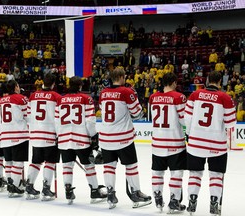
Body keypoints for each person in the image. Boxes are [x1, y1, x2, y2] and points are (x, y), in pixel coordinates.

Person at [98, 68, 151, 209]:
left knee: (109, 166)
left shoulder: (103, 93)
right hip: (123, 137)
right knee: (131, 166)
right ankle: (135, 194)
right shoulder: (127, 91)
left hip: (105, 137)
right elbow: (137, 113)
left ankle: (110, 194)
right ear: (121, 77)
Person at [185, 71, 236, 215]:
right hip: (217, 145)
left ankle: (192, 201)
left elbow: (187, 118)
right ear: (220, 81)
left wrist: (189, 135)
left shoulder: (195, 95)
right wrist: (230, 143)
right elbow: (231, 124)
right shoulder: (225, 98)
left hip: (195, 144)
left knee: (195, 174)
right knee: (216, 175)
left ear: (207, 80)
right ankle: (214, 201)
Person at [55, 76, 106, 204]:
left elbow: (56, 121)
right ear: (80, 86)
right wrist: (93, 135)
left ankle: (68, 191)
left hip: (64, 139)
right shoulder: (86, 99)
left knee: (67, 166)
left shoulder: (60, 100)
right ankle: (94, 191)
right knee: (89, 166)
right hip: (81, 139)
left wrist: (59, 136)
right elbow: (89, 121)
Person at [149, 73, 187, 213]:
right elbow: (184, 120)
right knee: (176, 173)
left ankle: (158, 199)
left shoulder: (153, 97)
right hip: (174, 143)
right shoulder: (178, 97)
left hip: (157, 143)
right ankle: (174, 201)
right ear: (173, 82)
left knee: (157, 173)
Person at [25, 73, 60, 201]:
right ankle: (46, 189)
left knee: (36, 161)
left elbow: (28, 115)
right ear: (53, 84)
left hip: (35, 134)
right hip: (50, 133)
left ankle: (29, 185)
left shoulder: (33, 96)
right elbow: (58, 117)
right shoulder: (56, 96)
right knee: (50, 162)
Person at [0, 80, 29, 197]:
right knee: (18, 162)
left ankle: (10, 184)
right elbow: (28, 115)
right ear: (16, 87)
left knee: (9, 161)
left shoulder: (2, 100)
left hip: (4, 134)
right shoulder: (21, 98)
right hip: (19, 134)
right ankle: (15, 185)